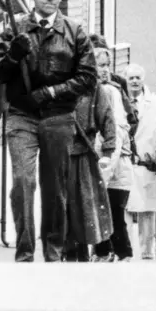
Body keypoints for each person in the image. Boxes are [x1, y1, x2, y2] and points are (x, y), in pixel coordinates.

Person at [0, 0, 98, 263]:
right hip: (21, 115)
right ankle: (25, 251)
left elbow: (88, 78)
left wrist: (52, 92)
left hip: (58, 117)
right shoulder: (15, 28)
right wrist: (14, 53)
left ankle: (53, 251)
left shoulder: (74, 32)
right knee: (23, 182)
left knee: (55, 187)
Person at [60, 51, 118, 262]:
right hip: (60, 154)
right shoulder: (59, 84)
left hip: (84, 155)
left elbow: (107, 119)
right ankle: (68, 250)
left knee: (86, 204)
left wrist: (108, 151)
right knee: (62, 203)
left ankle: (90, 249)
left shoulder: (94, 88)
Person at [92, 45, 135, 262]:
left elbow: (117, 130)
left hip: (114, 164)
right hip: (101, 161)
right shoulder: (91, 90)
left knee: (114, 212)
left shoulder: (111, 91)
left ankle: (122, 252)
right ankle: (103, 251)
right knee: (100, 210)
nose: (105, 70)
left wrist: (106, 168)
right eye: (100, 65)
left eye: (107, 65)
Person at [125, 63, 156, 260]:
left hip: (147, 163)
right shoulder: (120, 100)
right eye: (131, 78)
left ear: (143, 80)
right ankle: (125, 251)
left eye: (138, 77)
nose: (134, 81)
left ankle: (146, 252)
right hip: (125, 162)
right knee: (124, 207)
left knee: (147, 210)